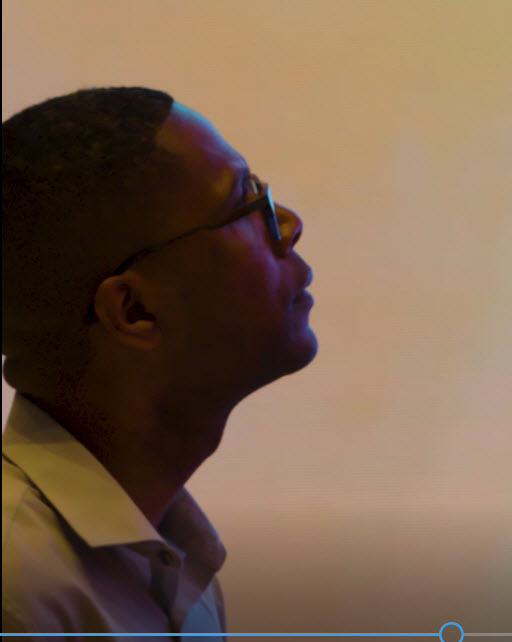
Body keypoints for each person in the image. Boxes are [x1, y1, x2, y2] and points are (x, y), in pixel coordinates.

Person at [1, 87, 318, 637]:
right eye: (248, 202)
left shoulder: (171, 559)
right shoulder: (19, 587)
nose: (288, 224)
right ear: (135, 310)